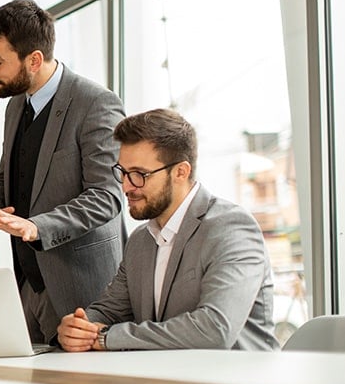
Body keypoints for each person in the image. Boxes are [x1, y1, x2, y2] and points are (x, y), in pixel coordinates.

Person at [0, 0, 125, 345]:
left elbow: (107, 196)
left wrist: (36, 226)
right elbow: (9, 171)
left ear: (34, 59)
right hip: (28, 285)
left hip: (83, 291)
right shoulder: (15, 105)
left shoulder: (95, 103)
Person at [57, 108, 278, 351]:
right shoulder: (140, 240)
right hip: (167, 381)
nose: (127, 187)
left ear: (181, 172)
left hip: (238, 382)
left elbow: (215, 329)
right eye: (123, 173)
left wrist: (105, 337)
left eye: (140, 174)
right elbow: (109, 310)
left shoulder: (232, 228)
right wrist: (80, 327)